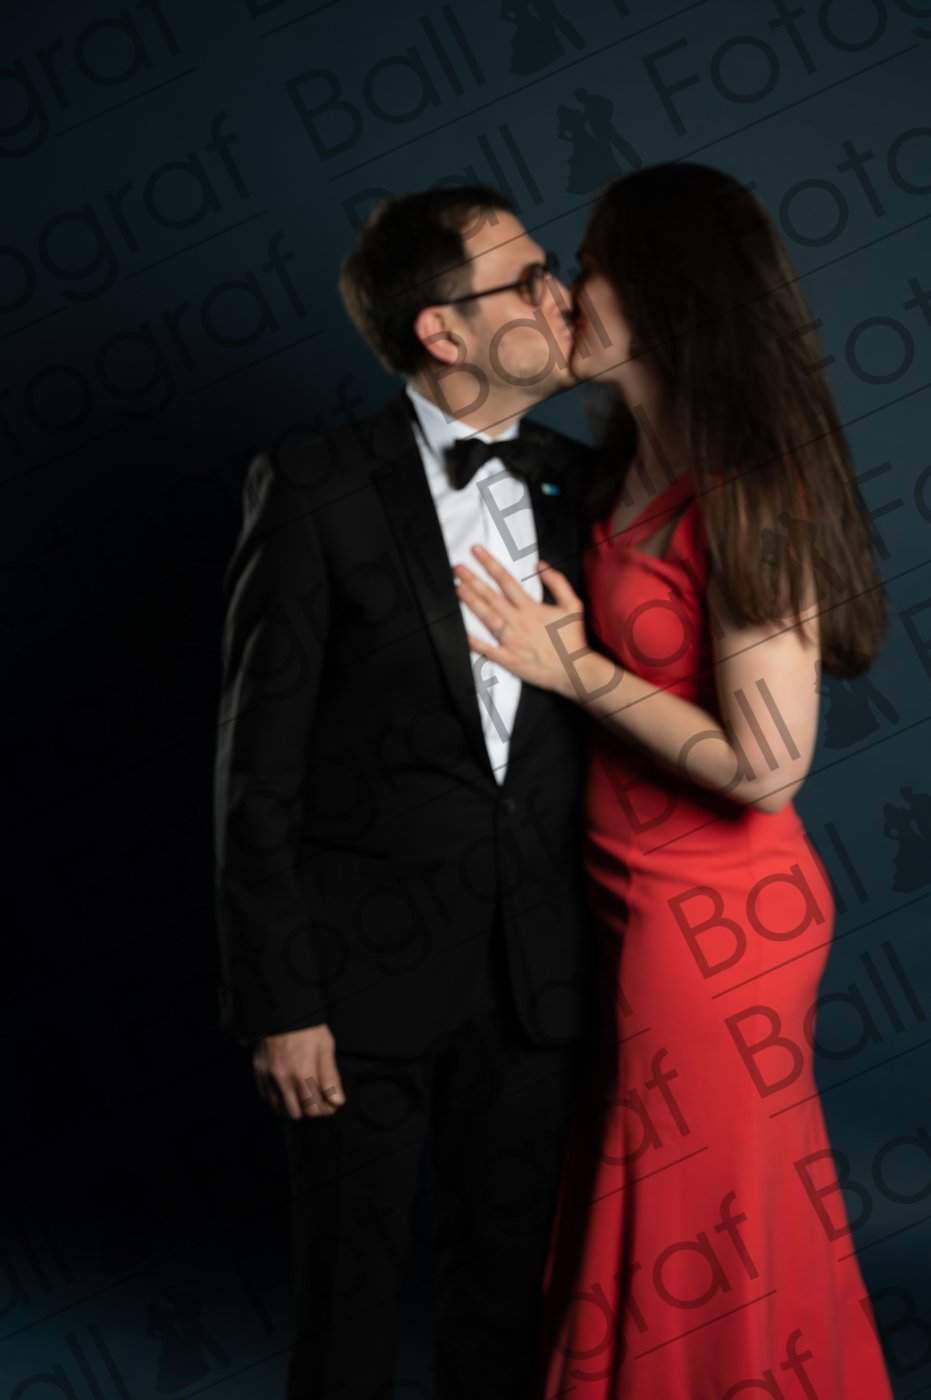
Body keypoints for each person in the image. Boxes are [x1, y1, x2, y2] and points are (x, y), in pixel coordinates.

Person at [451, 161, 895, 1397]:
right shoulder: (617, 463)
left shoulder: (750, 486)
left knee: (693, 1224)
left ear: (661, 292)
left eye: (585, 266)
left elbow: (768, 765)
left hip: (717, 921)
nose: (563, 291)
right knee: (664, 1208)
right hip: (621, 892)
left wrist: (577, 668)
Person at [212, 184, 599, 1398]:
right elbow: (254, 770)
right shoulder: (315, 484)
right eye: (529, 279)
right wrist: (281, 1000)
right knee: (347, 1304)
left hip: (535, 977)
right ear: (443, 329)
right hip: (354, 989)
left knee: (504, 1303)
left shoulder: (586, 484)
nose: (561, 296)